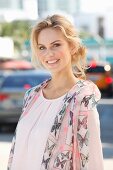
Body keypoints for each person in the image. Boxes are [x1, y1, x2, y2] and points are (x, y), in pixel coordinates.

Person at [8, 14, 104, 170]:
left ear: (72, 46)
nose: (49, 53)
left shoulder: (82, 97)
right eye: (42, 47)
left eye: (56, 45)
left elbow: (91, 158)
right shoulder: (32, 95)